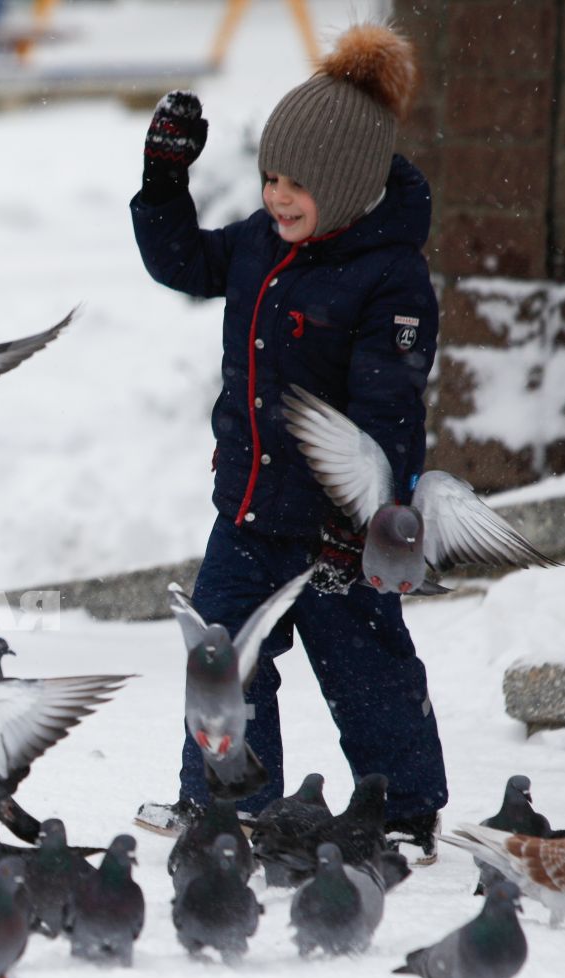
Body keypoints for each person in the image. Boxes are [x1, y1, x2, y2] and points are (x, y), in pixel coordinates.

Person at [128, 24, 446, 862]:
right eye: (270, 177)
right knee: (222, 663)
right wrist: (165, 182)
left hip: (339, 529)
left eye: (296, 184)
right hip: (247, 514)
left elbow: (391, 405)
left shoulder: (390, 277)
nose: (275, 196)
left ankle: (405, 811)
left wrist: (380, 514)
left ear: (345, 186)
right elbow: (183, 264)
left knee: (368, 671)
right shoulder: (263, 244)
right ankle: (232, 806)